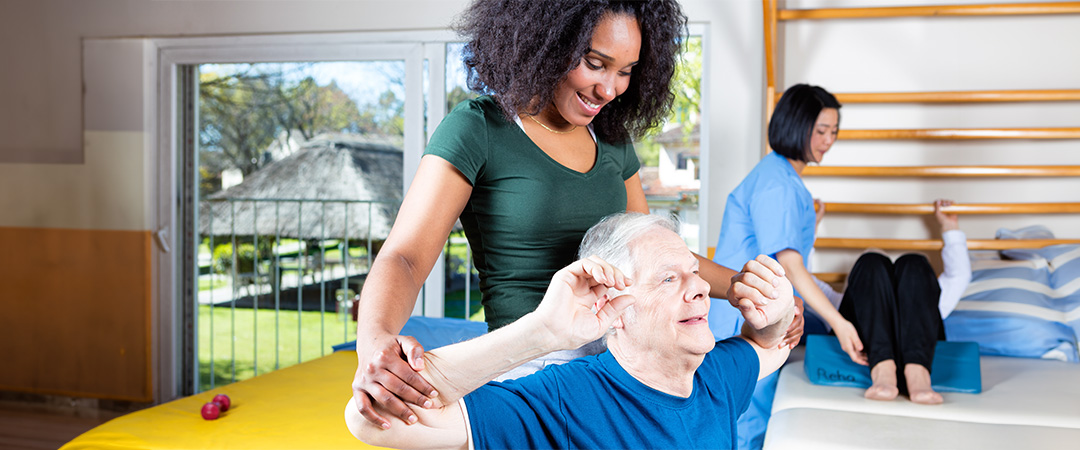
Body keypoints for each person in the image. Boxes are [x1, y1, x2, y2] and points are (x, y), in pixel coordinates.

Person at [351, 0, 796, 430]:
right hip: (533, 374)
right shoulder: (479, 129)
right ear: (546, 43)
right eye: (595, 63)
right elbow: (405, 258)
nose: (609, 89)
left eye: (626, 71)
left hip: (625, 364)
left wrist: (740, 287)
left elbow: (654, 257)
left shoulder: (613, 140)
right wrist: (374, 344)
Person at [344, 213, 796, 450]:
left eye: (694, 272)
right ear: (613, 309)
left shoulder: (715, 375)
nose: (701, 288)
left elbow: (771, 343)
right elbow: (373, 425)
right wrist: (543, 332)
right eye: (668, 278)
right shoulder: (565, 399)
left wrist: (772, 311)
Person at [709, 83, 842, 450]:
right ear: (797, 126)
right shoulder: (778, 186)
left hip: (761, 310)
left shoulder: (783, 178)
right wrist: (840, 323)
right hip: (746, 314)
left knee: (749, 413)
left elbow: (785, 256)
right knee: (746, 416)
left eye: (834, 132)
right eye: (821, 131)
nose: (828, 140)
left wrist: (811, 221)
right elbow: (790, 265)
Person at [823, 199, 972, 404]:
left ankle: (917, 373)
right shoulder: (837, 310)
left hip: (918, 348)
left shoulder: (923, 303)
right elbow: (799, 280)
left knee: (913, 262)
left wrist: (949, 227)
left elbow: (959, 277)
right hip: (864, 351)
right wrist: (808, 232)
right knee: (872, 261)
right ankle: (883, 369)